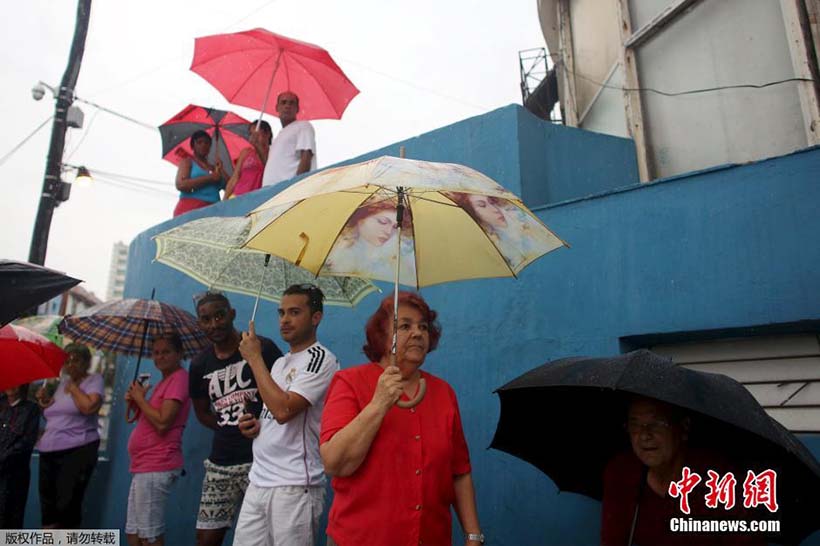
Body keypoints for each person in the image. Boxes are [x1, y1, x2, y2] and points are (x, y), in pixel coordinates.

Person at [319, 292, 484, 546]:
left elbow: (459, 472)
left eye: (423, 327)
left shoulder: (444, 393)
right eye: (405, 326)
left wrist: (473, 536)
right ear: (381, 336)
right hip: (361, 539)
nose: (417, 333)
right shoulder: (350, 382)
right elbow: (334, 463)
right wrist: (379, 404)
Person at [233, 284, 340, 546]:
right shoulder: (280, 363)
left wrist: (255, 359)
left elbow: (284, 411)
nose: (285, 320)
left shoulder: (321, 359)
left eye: (294, 312)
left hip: (294, 485)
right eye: (281, 313)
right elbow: (273, 411)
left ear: (316, 317)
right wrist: (255, 425)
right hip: (259, 480)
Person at [601, 396, 765, 546]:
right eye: (635, 425)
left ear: (683, 427)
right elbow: (613, 540)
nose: (644, 435)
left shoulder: (719, 476)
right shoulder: (622, 471)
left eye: (657, 423)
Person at [189, 292, 283, 546]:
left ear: (232, 314)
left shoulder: (262, 348)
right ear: (200, 324)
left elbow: (284, 395)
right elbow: (202, 412)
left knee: (267, 536)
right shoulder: (199, 364)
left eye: (220, 315)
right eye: (206, 319)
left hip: (262, 461)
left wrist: (264, 422)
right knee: (206, 538)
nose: (214, 324)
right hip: (220, 462)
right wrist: (225, 426)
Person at [124, 332, 192, 546]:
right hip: (143, 465)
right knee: (134, 533)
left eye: (166, 352)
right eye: (156, 353)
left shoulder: (179, 378)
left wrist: (140, 400)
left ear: (179, 354)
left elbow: (163, 423)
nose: (160, 357)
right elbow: (149, 419)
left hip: (157, 463)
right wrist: (136, 401)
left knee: (149, 535)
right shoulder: (164, 381)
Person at [35, 343, 104, 529]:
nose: (71, 364)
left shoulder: (94, 380)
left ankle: (66, 540)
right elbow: (56, 414)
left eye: (76, 360)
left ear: (86, 362)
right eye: (67, 361)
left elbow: (88, 407)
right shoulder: (62, 384)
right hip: (49, 450)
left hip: (77, 449)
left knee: (67, 507)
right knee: (48, 509)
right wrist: (44, 401)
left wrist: (74, 388)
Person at [324, 199, 416, 282]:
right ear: (361, 218)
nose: (389, 232)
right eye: (382, 222)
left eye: (395, 227)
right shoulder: (336, 251)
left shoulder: (398, 257)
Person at [0, 384, 40, 528]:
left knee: (10, 519)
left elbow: (26, 442)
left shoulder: (31, 409)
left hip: (14, 475)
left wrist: (3, 459)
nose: (11, 386)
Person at [261, 92, 316, 188]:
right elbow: (271, 164)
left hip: (287, 188)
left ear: (297, 109)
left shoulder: (303, 126)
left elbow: (306, 155)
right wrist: (257, 144)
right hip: (270, 189)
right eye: (283, 102)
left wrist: (296, 185)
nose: (287, 106)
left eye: (291, 103)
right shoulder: (278, 137)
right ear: (277, 107)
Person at [174, 130, 225, 217]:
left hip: (213, 210)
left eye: (207, 143)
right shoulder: (187, 162)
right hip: (190, 208)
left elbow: (228, 185)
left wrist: (221, 169)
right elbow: (181, 184)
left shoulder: (215, 168)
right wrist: (209, 178)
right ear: (193, 146)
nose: (203, 145)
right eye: (199, 142)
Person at [225, 121, 273, 199]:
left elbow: (268, 168)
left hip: (257, 198)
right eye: (251, 134)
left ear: (267, 134)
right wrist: (224, 200)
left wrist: (258, 146)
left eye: (257, 134)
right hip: (237, 196)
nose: (254, 137)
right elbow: (235, 177)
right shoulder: (246, 152)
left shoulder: (273, 152)